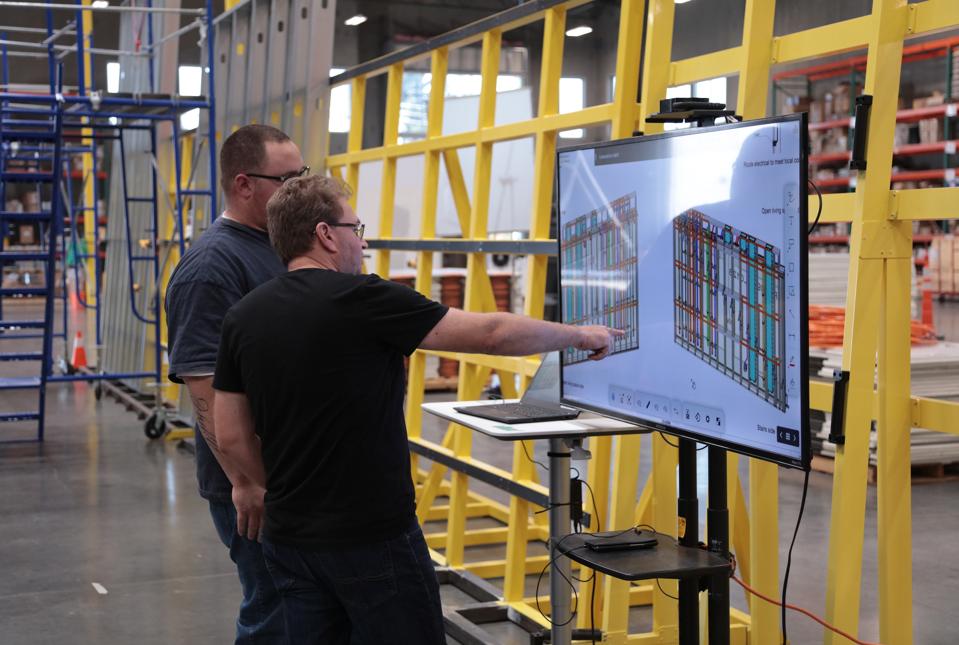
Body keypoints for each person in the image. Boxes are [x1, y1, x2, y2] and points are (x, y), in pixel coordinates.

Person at [212, 175, 623, 645]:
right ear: (326, 234)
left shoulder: (243, 316)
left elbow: (229, 434)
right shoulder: (363, 299)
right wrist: (579, 335)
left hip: (289, 539)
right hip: (371, 536)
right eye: (356, 228)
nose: (361, 242)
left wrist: (260, 486)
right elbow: (491, 334)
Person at [165, 124, 309, 644]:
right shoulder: (211, 267)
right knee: (274, 606)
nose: (299, 190)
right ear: (245, 185)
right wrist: (246, 481)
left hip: (293, 470)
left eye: (303, 176)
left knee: (303, 604)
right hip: (254, 481)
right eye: (287, 179)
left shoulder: (278, 245)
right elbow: (204, 389)